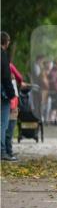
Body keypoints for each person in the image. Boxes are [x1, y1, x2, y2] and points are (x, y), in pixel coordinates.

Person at [1, 32, 16, 161]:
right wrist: (11, 94)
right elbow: (6, 77)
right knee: (3, 123)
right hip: (2, 92)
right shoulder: (3, 56)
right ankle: (2, 151)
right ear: (5, 42)